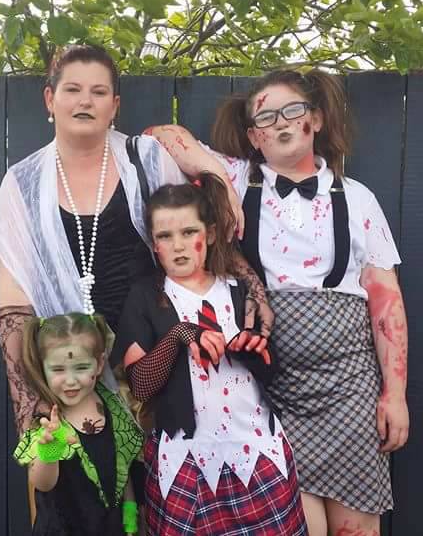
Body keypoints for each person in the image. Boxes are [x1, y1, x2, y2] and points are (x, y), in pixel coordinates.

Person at [146, 69, 410, 536]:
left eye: (293, 110)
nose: (281, 122)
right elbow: (159, 134)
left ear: (316, 119)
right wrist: (215, 177)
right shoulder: (236, 179)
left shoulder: (359, 199)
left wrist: (395, 394)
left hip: (349, 389)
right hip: (273, 395)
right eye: (266, 117)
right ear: (253, 136)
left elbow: (386, 301)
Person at [0, 44, 272, 435]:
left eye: (99, 92)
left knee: (155, 473)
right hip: (68, 380)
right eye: (72, 89)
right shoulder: (21, 184)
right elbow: (13, 305)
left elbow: (196, 237)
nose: (85, 101)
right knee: (76, 474)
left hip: (153, 368)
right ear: (50, 99)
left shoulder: (146, 160)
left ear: (115, 105)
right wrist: (29, 404)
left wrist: (253, 288)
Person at [112, 175, 307, 535]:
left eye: (189, 232)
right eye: (165, 236)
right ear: (153, 244)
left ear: (212, 234)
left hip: (255, 447)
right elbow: (140, 385)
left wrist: (254, 351)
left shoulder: (239, 292)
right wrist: (179, 335)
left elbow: (272, 371)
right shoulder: (146, 297)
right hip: (185, 456)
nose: (178, 245)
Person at [14, 312, 144, 535]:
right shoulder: (46, 419)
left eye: (81, 367)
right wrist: (49, 451)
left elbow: (122, 462)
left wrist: (131, 509)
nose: (71, 380)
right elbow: (42, 483)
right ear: (43, 367)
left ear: (99, 363)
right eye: (58, 370)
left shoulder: (111, 403)